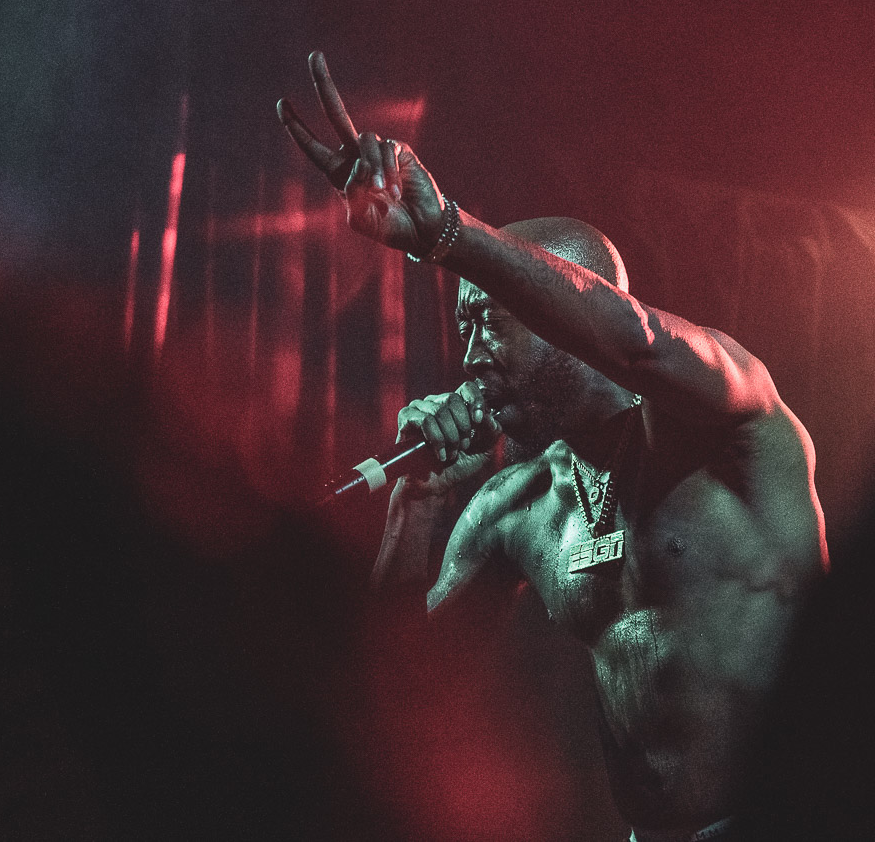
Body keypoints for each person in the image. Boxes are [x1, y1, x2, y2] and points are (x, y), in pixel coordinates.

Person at [279, 51, 828, 842]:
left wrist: (448, 235)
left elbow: (635, 342)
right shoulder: (521, 505)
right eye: (461, 326)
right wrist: (417, 510)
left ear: (560, 316)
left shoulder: (726, 421)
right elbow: (397, 688)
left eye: (489, 320)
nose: (468, 355)